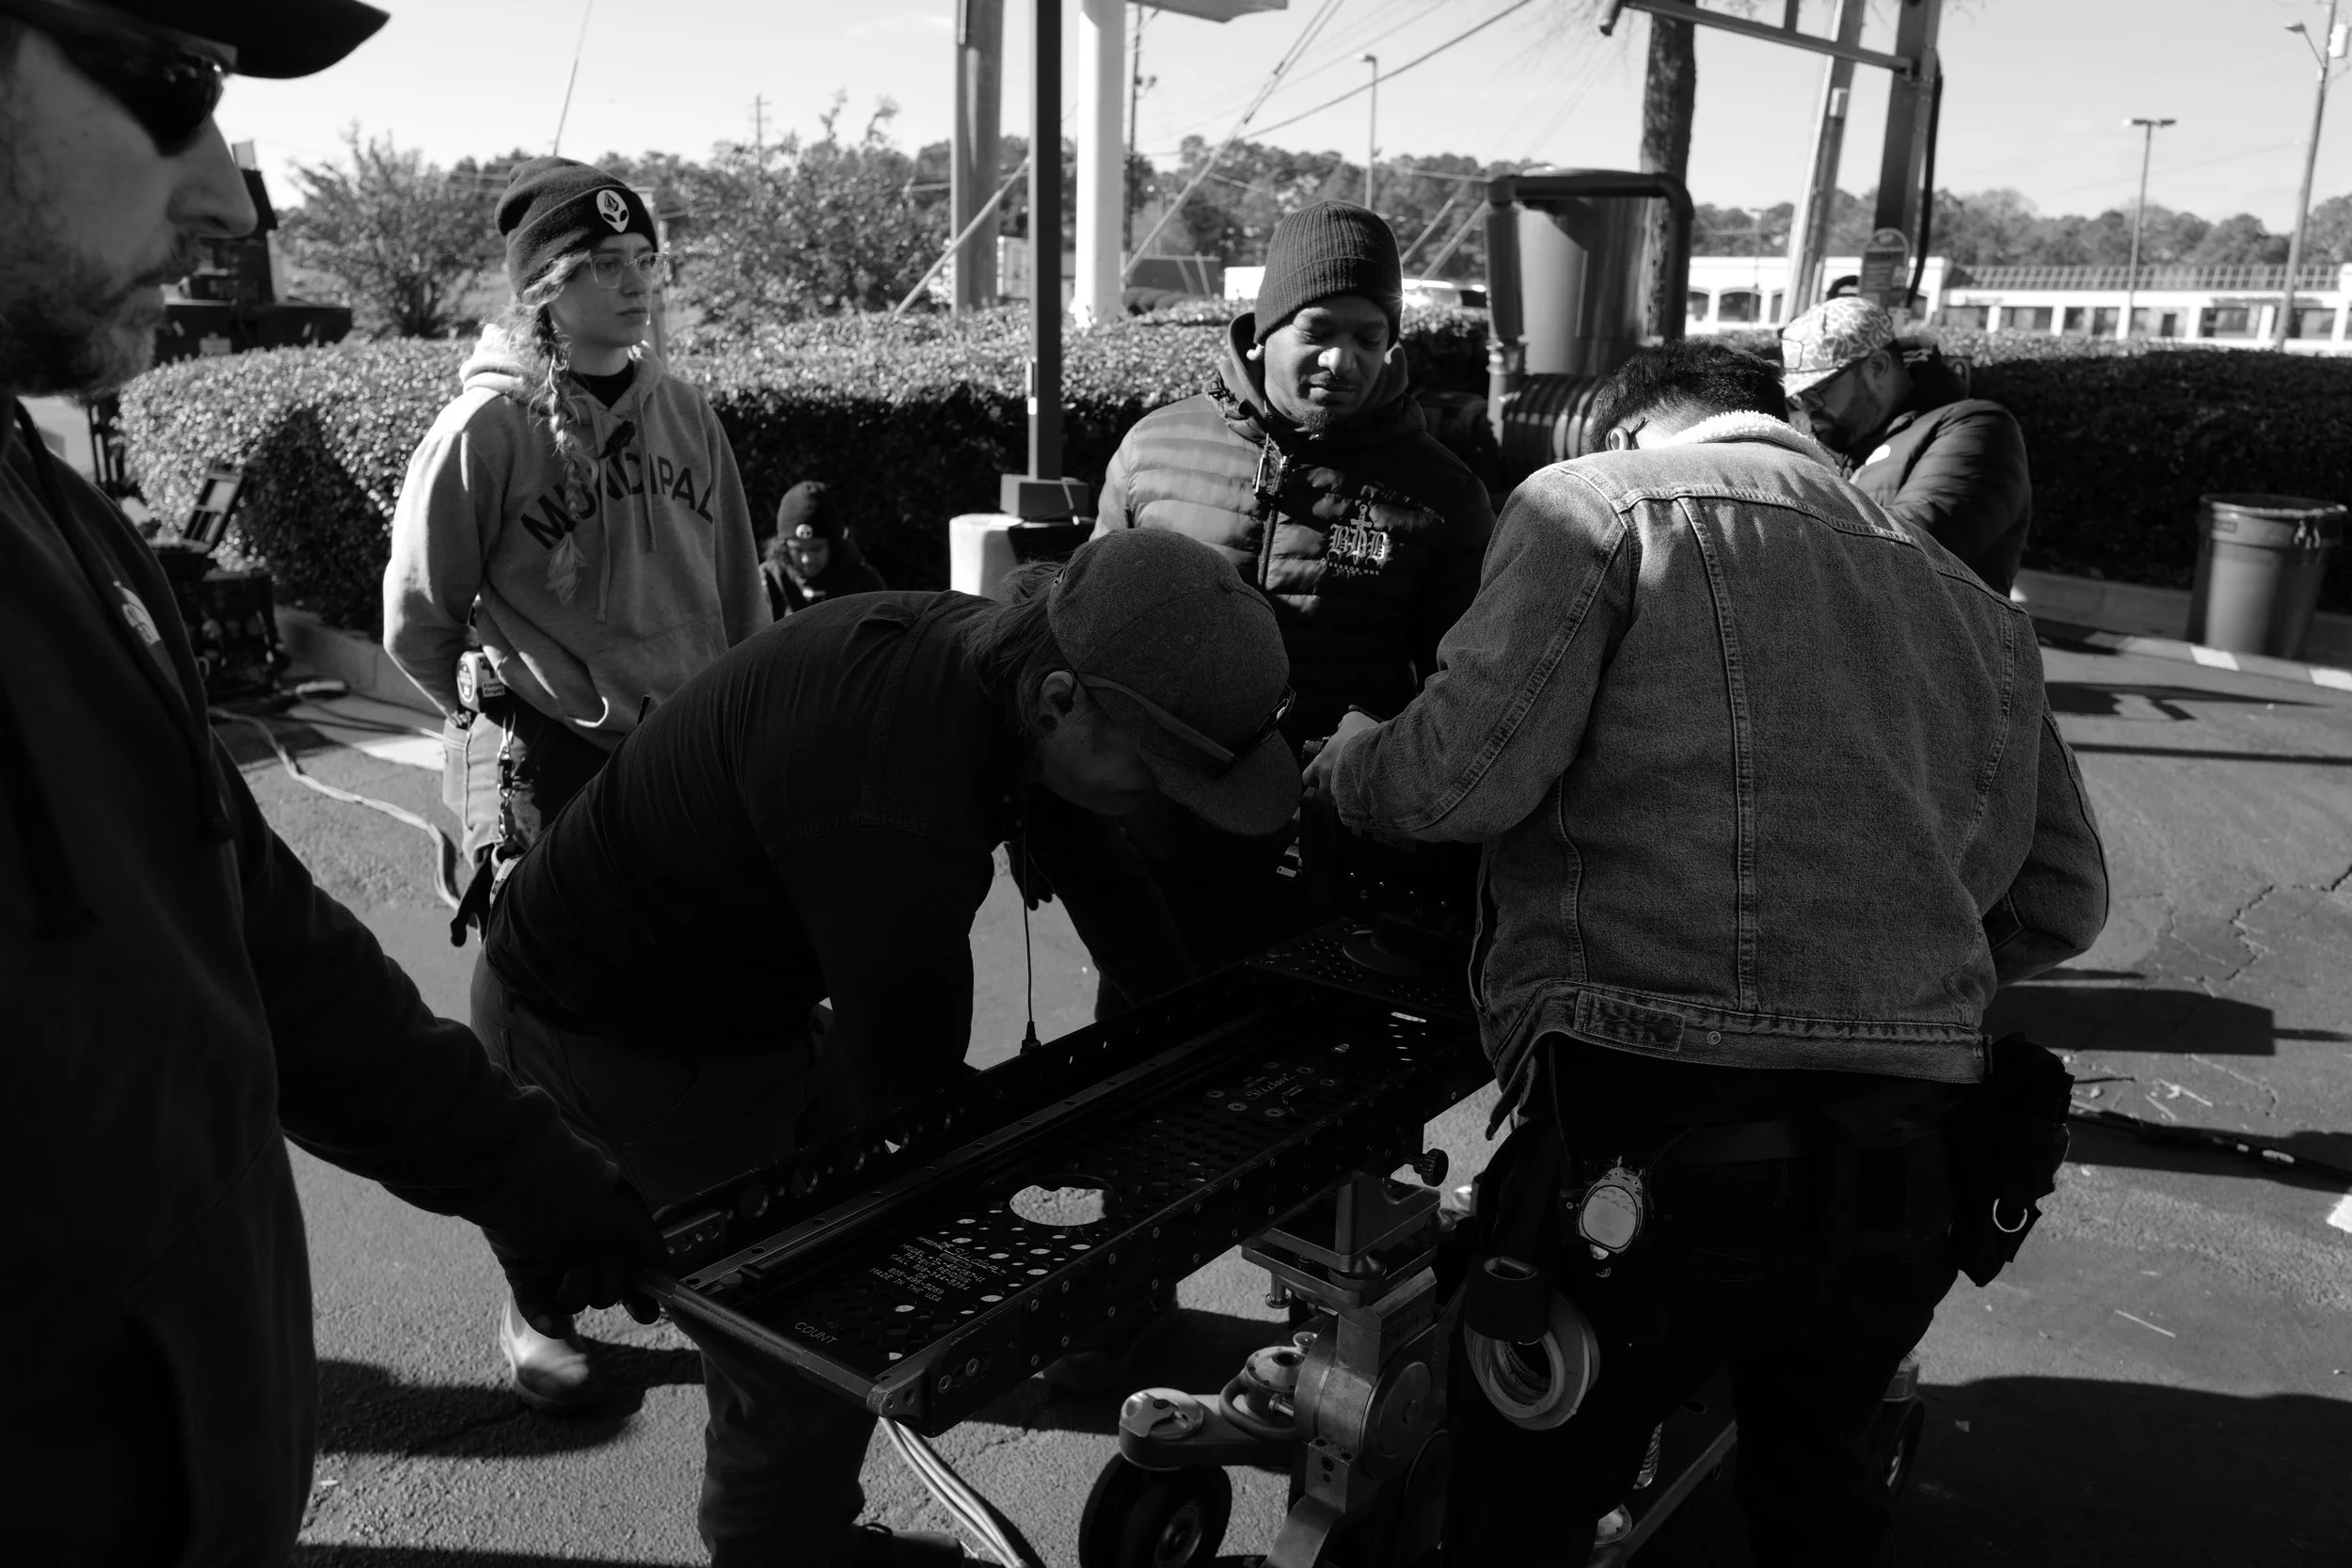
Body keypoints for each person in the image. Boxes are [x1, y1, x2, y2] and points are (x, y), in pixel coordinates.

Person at [0, 6, 661, 1563]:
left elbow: (250, 925)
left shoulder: (57, 515)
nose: (234, 202)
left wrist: (520, 1167)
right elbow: (425, 625)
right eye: (168, 80)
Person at [1304, 340, 2107, 1566]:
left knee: (1523, 1487)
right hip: (1906, 1165)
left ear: (1626, 426)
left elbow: (1458, 776)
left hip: (1641, 1168)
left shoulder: (1599, 504)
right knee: (1816, 1498)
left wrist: (1349, 757)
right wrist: (1883, 940)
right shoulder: (1961, 589)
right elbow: (2064, 897)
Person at [475, 528, 1296, 1566]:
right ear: (1059, 701)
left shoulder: (995, 659)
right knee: (809, 1343)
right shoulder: (896, 794)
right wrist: (1104, 1189)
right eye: (1160, 774)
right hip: (607, 1030)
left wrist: (1201, 1041)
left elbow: (1097, 860)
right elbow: (914, 1106)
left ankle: (798, 1529)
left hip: (731, 999)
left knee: (831, 1298)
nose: (1165, 803)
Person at [1090, 198, 1493, 972]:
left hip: (1328, 859)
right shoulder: (1155, 449)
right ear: (1267, 326)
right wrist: (1069, 816)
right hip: (1156, 833)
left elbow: (1468, 686)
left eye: (1368, 337)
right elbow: (1082, 639)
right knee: (1146, 1049)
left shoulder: (1443, 496)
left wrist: (1374, 749)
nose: (1343, 360)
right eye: (1318, 330)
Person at [384, 154, 768, 927]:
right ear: (546, 285)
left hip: (696, 754)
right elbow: (418, 624)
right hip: (558, 777)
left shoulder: (687, 413)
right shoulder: (483, 432)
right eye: (603, 264)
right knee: (561, 1009)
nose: (637, 284)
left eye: (644, 261)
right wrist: (507, 719)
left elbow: (740, 598)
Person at [1779, 293, 2034, 592]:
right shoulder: (1847, 443)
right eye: (1798, 398)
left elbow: (1907, 554)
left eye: (1818, 391)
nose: (1809, 408)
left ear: (1877, 367)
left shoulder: (1976, 426)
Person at [761, 478, 886, 618]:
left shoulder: (864, 584)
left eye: (816, 549)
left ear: (833, 544)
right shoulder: (767, 581)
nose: (806, 559)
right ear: (783, 546)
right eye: (797, 550)